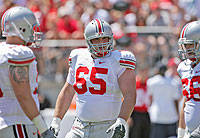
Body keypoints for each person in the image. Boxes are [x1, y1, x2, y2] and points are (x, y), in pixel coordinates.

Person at [49, 19, 137, 138]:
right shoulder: (78, 57)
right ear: (88, 40)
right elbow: (68, 91)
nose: (101, 43)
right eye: (96, 39)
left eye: (104, 38)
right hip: (79, 126)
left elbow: (130, 95)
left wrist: (122, 120)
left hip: (107, 127)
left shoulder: (120, 59)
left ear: (110, 38)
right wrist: (56, 120)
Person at [0, 6, 55, 138]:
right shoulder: (19, 53)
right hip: (16, 122)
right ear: (21, 28)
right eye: (31, 27)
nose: (34, 31)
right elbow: (23, 94)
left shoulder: (2, 50)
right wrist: (43, 129)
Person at [177, 21, 200, 138]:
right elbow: (187, 101)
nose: (187, 49)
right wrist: (181, 131)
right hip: (190, 132)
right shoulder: (183, 67)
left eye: (191, 44)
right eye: (185, 45)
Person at [147, 64, 180, 138]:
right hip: (171, 115)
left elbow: (150, 98)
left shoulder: (151, 81)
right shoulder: (173, 82)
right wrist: (178, 115)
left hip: (157, 115)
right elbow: (176, 101)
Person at [128, 64, 151, 138]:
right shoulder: (134, 84)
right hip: (135, 113)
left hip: (146, 113)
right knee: (135, 134)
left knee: (146, 133)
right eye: (143, 72)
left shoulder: (149, 84)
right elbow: (128, 100)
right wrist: (128, 116)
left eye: (146, 72)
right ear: (139, 73)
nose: (145, 75)